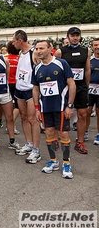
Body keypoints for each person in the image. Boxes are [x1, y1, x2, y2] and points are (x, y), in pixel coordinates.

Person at [32, 40, 76, 179]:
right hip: (45, 108)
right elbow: (35, 88)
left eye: (42, 48)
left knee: (63, 134)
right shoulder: (37, 68)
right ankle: (53, 161)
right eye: (37, 48)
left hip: (61, 106)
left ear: (50, 48)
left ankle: (66, 163)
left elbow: (72, 84)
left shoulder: (61, 63)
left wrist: (70, 105)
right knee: (49, 133)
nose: (39, 51)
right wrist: (37, 108)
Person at [55, 27, 90, 154]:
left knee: (83, 114)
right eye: (72, 35)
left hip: (80, 88)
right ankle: (59, 138)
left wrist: (86, 86)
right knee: (63, 115)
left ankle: (80, 141)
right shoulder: (60, 52)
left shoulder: (86, 50)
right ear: (68, 37)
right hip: (65, 88)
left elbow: (87, 70)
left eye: (77, 35)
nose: (75, 37)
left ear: (80, 37)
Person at [12, 30, 41, 164]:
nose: (13, 43)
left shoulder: (33, 52)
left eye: (14, 41)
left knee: (32, 119)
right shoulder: (20, 52)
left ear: (20, 41)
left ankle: (36, 150)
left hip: (30, 90)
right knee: (23, 117)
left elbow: (40, 70)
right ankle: (29, 143)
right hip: (20, 89)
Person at [0, 38, 18, 150]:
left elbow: (7, 77)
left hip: (5, 92)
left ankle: (12, 140)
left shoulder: (4, 60)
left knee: (9, 117)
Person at [87, 38, 99, 145]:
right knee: (87, 112)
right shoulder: (89, 60)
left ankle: (98, 134)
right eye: (95, 45)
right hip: (90, 90)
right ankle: (85, 132)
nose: (97, 47)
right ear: (92, 47)